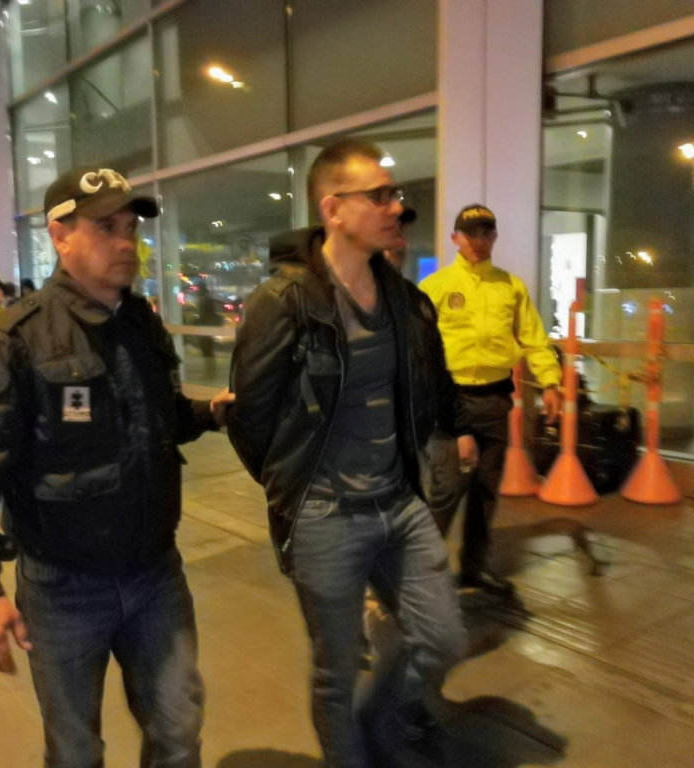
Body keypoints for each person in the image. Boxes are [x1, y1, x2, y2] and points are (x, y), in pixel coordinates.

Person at [0, 165, 234, 768]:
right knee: (75, 750)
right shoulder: (13, 340)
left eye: (130, 228)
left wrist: (208, 413)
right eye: (105, 228)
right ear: (60, 236)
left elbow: (157, 416)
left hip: (156, 573)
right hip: (63, 588)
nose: (126, 243)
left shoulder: (141, 324)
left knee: (179, 732)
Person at [228, 139, 471, 767]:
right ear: (333, 209)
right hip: (325, 515)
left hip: (399, 503)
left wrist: (453, 432)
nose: (396, 206)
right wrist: (293, 487)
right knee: (336, 670)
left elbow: (429, 384)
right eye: (380, 195)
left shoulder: (406, 301)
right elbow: (251, 418)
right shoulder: (283, 303)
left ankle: (377, 727)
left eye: (396, 194)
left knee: (442, 637)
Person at [419, 204, 562, 598]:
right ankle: (418, 576)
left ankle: (473, 568)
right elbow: (419, 350)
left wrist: (550, 383)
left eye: (485, 233)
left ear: (494, 237)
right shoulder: (434, 287)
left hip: (495, 402)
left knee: (485, 491)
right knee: (447, 490)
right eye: (470, 234)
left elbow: (534, 340)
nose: (477, 241)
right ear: (455, 239)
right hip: (450, 401)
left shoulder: (511, 287)